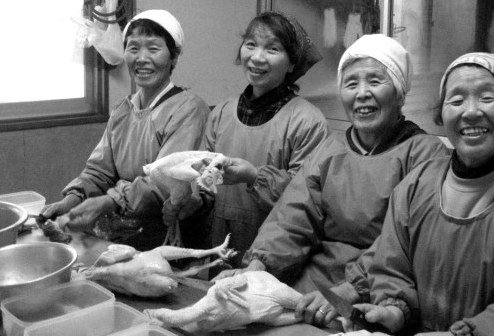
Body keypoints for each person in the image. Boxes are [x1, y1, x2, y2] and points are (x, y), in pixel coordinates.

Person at [214, 34, 449, 327]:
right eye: (351, 84)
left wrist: (350, 289)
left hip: (379, 295)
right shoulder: (330, 150)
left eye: (375, 82)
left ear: (400, 93)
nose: (362, 93)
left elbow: (403, 243)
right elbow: (292, 217)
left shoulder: (425, 155)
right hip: (311, 287)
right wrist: (258, 267)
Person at [352, 52, 494, 336]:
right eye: (456, 100)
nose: (470, 111)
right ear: (441, 115)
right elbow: (391, 266)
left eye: (487, 98)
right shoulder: (416, 185)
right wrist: (394, 311)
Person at [40, 10, 211, 251]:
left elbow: (165, 180)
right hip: (124, 239)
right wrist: (72, 199)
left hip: (167, 239)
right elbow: (100, 170)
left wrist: (110, 201)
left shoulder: (189, 109)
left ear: (174, 57)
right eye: (133, 48)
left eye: (153, 49)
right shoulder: (123, 110)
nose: (141, 58)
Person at [203, 12, 329, 266]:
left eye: (272, 49)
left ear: (292, 63)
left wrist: (253, 176)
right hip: (218, 245)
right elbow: (204, 180)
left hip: (277, 256)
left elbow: (306, 199)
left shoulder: (307, 120)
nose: (257, 57)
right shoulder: (221, 113)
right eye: (251, 44)